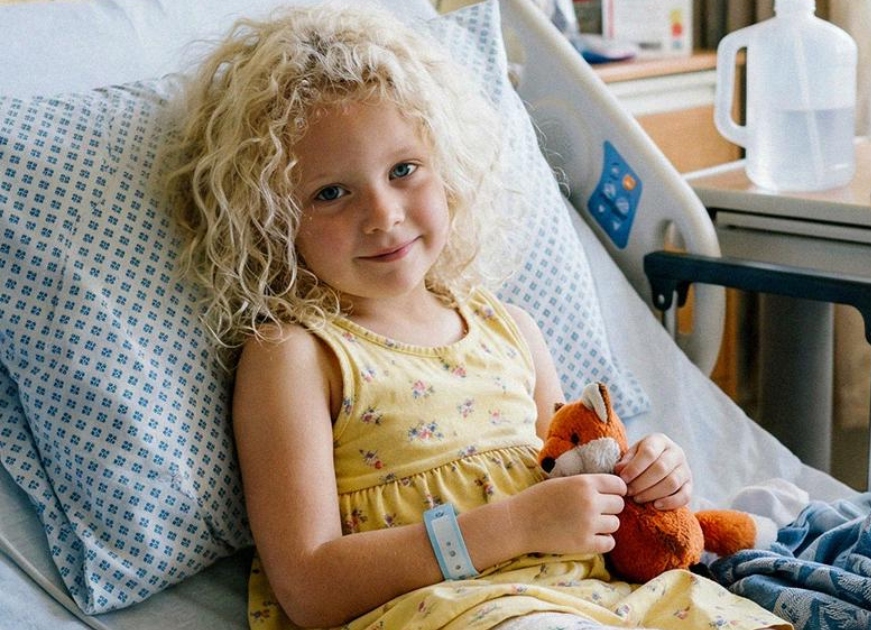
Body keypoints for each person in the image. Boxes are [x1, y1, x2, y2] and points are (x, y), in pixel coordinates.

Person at [168, 3, 791, 629]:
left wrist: (651, 485)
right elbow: (309, 588)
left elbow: (579, 486)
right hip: (457, 613)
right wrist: (513, 526)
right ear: (272, 216)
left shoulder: (510, 331)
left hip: (600, 600)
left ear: (447, 172)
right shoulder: (298, 357)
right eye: (331, 193)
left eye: (404, 170)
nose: (383, 214)